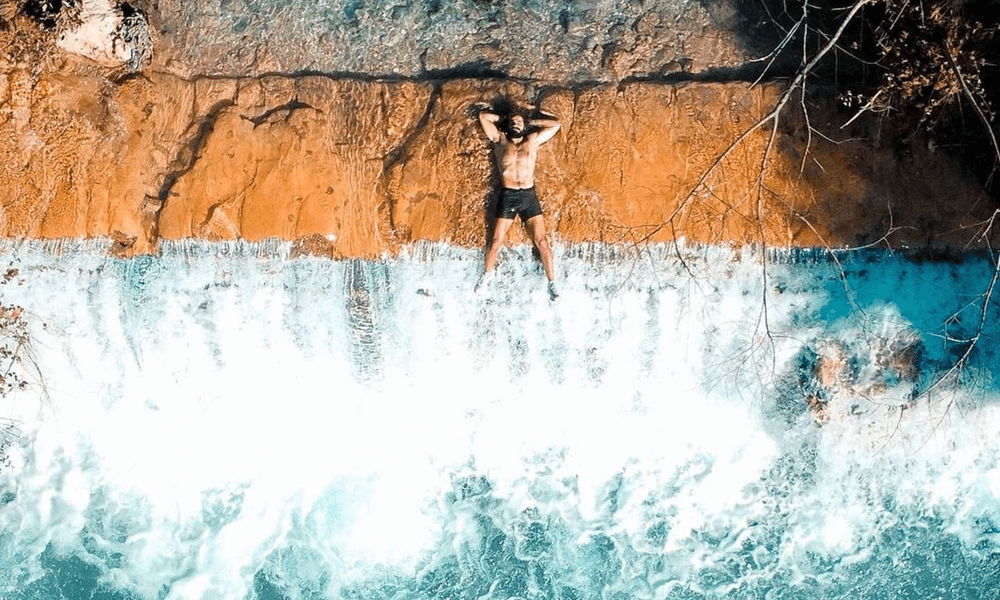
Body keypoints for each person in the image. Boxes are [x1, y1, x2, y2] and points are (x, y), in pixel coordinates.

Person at [474, 103, 561, 300]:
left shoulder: (533, 140)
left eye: (519, 121)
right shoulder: (499, 140)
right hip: (509, 194)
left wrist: (532, 120)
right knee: (496, 241)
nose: (516, 124)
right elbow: (483, 117)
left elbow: (556, 124)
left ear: (524, 125)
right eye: (513, 122)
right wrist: (503, 118)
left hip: (529, 195)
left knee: (542, 241)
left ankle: (552, 284)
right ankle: (486, 279)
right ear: (508, 125)